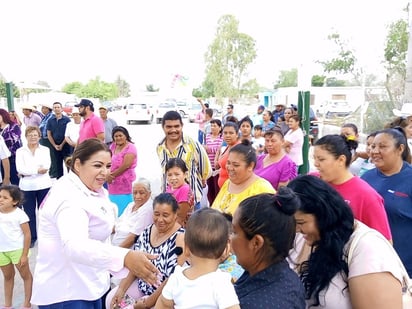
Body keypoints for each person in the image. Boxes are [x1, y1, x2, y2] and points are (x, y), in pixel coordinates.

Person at [31, 138, 160, 307]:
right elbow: (75, 246)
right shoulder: (68, 198)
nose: (105, 172)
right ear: (78, 165)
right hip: (68, 293)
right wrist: (125, 256)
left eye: (107, 166)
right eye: (97, 165)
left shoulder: (90, 188)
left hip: (91, 283)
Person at [288, 175, 403, 308]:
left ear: (324, 215)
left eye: (301, 222)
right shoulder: (311, 238)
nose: (297, 230)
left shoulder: (368, 250)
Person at [106, 193, 186, 309]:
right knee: (112, 299)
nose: (160, 220)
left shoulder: (180, 238)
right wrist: (121, 289)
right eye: (156, 214)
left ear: (175, 215)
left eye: (166, 215)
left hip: (163, 297)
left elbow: (172, 279)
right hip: (142, 287)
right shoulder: (148, 231)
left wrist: (147, 303)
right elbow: (136, 264)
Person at [232, 190, 305, 308]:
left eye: (234, 232)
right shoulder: (285, 276)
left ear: (256, 243)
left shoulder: (254, 304)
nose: (229, 238)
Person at [156, 208, 240, 309]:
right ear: (226, 249)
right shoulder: (222, 282)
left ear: (186, 249)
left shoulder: (177, 277)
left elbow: (162, 304)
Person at [312, 134, 392, 240]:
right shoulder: (313, 182)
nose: (316, 164)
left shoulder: (366, 195)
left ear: (341, 160)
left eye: (321, 159)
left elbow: (384, 243)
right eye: (315, 159)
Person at [362, 127, 412, 277]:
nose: (375, 151)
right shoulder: (366, 178)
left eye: (382, 146)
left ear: (400, 149)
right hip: (371, 264)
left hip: (405, 267)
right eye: (373, 146)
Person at [156, 111, 211, 209]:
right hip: (169, 201)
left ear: (182, 126)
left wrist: (200, 182)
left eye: (177, 126)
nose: (173, 130)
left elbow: (205, 169)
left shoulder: (192, 144)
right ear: (163, 127)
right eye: (169, 127)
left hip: (191, 202)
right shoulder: (160, 147)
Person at [212, 140, 275, 215]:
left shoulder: (263, 189)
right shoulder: (228, 183)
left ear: (250, 166)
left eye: (236, 165)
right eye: (228, 163)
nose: (230, 168)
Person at [16, 126, 52, 248]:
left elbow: (47, 167)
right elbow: (20, 169)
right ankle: (32, 237)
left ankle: (47, 236)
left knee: (45, 212)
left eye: (35, 135)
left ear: (39, 136)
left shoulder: (45, 150)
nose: (33, 137)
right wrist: (37, 170)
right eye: (30, 135)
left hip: (44, 185)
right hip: (26, 187)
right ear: (26, 136)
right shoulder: (20, 151)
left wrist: (28, 172)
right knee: (29, 213)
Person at [0, 185, 33, 309]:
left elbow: (27, 235)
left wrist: (24, 255)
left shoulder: (20, 215)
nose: (0, 199)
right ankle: (8, 305)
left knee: (26, 276)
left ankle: (27, 304)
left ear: (15, 201)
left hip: (17, 251)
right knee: (8, 277)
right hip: (1, 251)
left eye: (5, 198)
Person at [111, 178, 154, 248]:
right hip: (115, 245)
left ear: (149, 194)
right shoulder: (131, 205)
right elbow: (117, 224)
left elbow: (133, 238)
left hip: (126, 250)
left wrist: (116, 253)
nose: (137, 196)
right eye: (135, 192)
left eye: (141, 193)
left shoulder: (148, 209)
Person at [107, 126, 137, 216]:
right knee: (113, 204)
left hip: (124, 181)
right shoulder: (112, 146)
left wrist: (111, 176)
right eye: (116, 136)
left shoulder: (130, 148)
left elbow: (126, 165)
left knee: (124, 206)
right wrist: (107, 174)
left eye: (120, 135)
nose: (118, 138)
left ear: (126, 136)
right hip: (112, 182)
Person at [165, 158, 194, 226]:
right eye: (169, 175)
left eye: (177, 174)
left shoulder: (185, 189)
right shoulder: (169, 187)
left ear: (185, 174)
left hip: (180, 227)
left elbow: (180, 218)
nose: (173, 178)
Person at [46, 102, 71, 179]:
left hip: (66, 144)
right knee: (58, 163)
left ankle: (70, 179)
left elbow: (68, 134)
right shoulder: (50, 120)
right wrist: (54, 145)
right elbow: (49, 134)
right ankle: (59, 179)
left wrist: (62, 144)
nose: (56, 109)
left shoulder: (67, 120)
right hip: (55, 145)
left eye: (58, 107)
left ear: (61, 108)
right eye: (55, 107)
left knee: (69, 162)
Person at [0, 108, 22, 185]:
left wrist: (1, 141)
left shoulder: (13, 126)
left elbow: (12, 139)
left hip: (13, 157)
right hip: (2, 159)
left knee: (15, 181)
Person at [204, 118, 223, 204]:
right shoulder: (207, 136)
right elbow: (205, 148)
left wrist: (209, 149)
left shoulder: (221, 137)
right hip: (209, 167)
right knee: (209, 188)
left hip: (217, 168)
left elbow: (220, 150)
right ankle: (211, 204)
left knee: (217, 188)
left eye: (215, 126)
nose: (212, 127)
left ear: (220, 127)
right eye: (211, 125)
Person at [216, 121, 240, 188]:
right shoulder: (228, 146)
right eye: (225, 133)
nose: (227, 135)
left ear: (237, 134)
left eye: (231, 133)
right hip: (224, 188)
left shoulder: (238, 149)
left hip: (233, 188)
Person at [38, 102, 56, 177]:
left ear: (48, 109)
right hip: (43, 138)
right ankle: (51, 171)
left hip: (47, 138)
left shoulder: (51, 116)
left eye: (44, 108)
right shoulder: (44, 117)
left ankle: (54, 172)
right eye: (42, 108)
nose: (43, 110)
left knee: (52, 156)